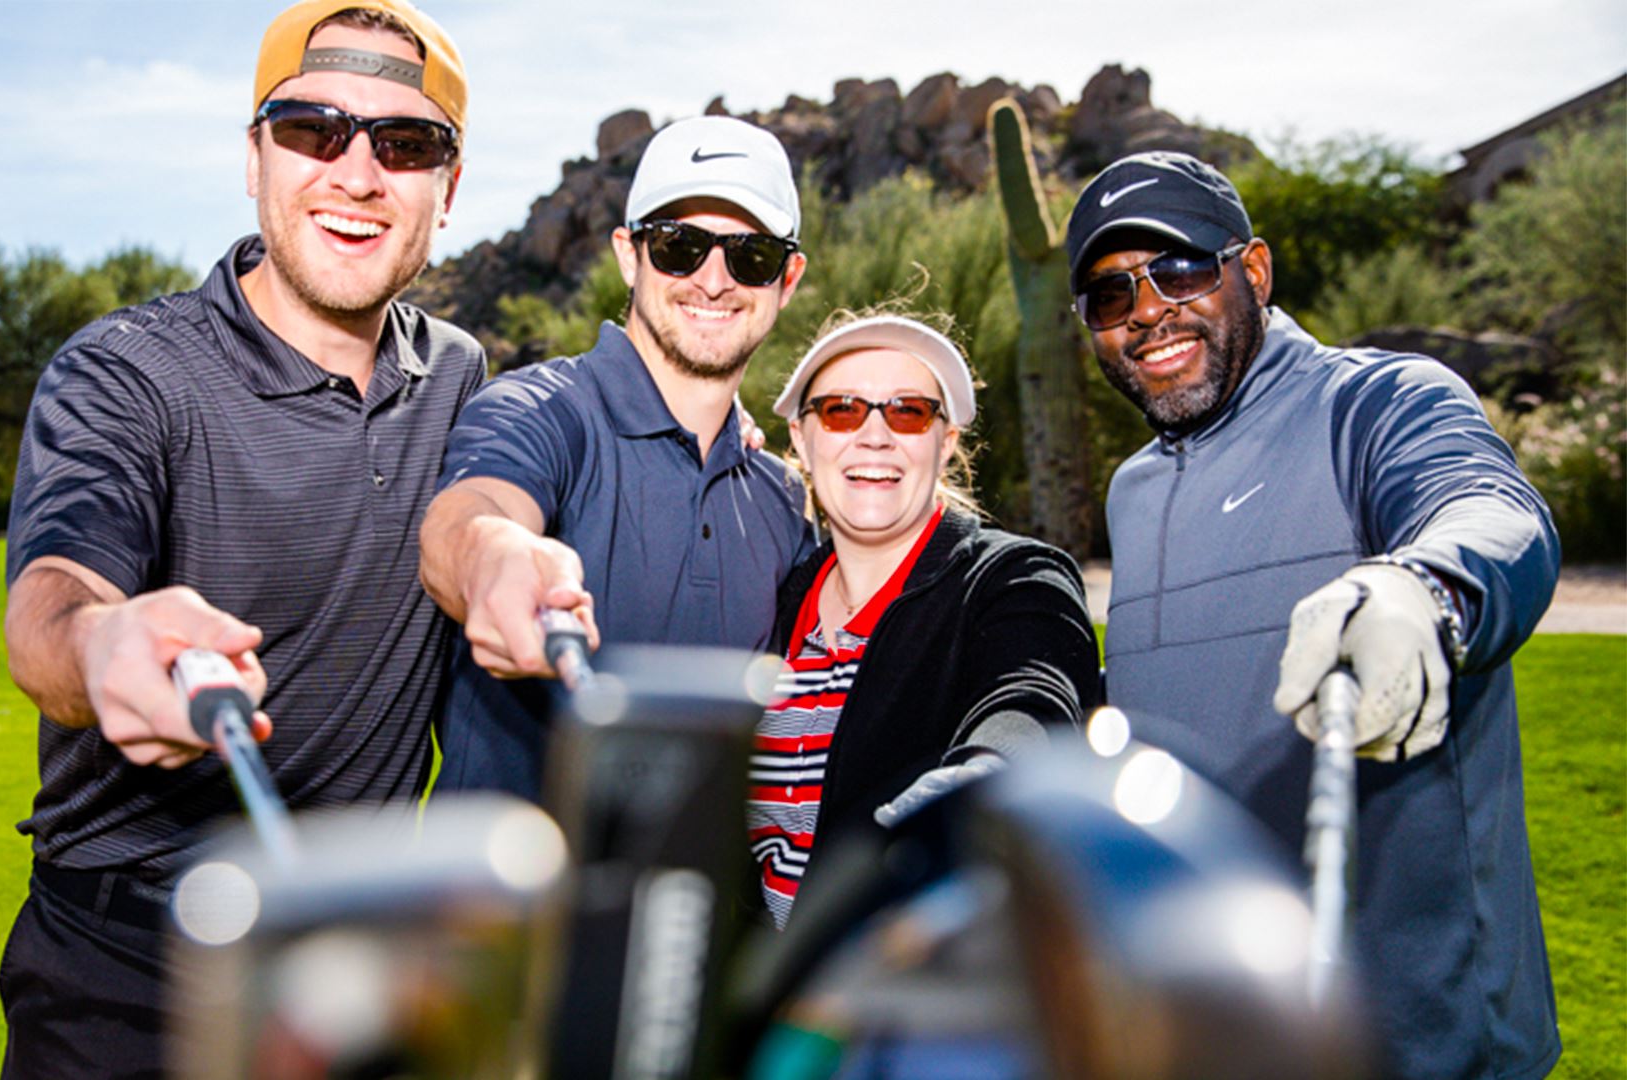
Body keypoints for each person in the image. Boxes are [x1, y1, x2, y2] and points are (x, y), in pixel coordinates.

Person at [0, 2, 479, 1074]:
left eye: (406, 144)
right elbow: (55, 599)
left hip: (358, 955)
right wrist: (100, 647)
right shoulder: (125, 371)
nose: (357, 173)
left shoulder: (460, 376)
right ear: (253, 157)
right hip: (128, 960)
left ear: (448, 191)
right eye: (314, 129)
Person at [1065, 151, 1560, 1078]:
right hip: (1218, 1035)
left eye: (1177, 270)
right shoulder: (1131, 491)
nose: (1145, 312)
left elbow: (1493, 510)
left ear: (1251, 271)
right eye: (1108, 295)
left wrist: (1423, 587)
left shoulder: (1378, 401)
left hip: (1422, 1044)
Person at [418, 115, 815, 801]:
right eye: (680, 246)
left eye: (750, 255)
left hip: (695, 905)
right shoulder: (544, 409)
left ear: (788, 278)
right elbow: (473, 515)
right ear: (629, 255)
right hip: (511, 905)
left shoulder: (781, 499)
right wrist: (493, 559)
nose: (714, 280)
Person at [747, 313, 1099, 928]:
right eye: (842, 411)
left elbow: (1031, 697)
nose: (876, 436)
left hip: (907, 988)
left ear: (946, 441)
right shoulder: (777, 600)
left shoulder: (1013, 578)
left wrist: (980, 777)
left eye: (908, 411)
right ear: (802, 440)